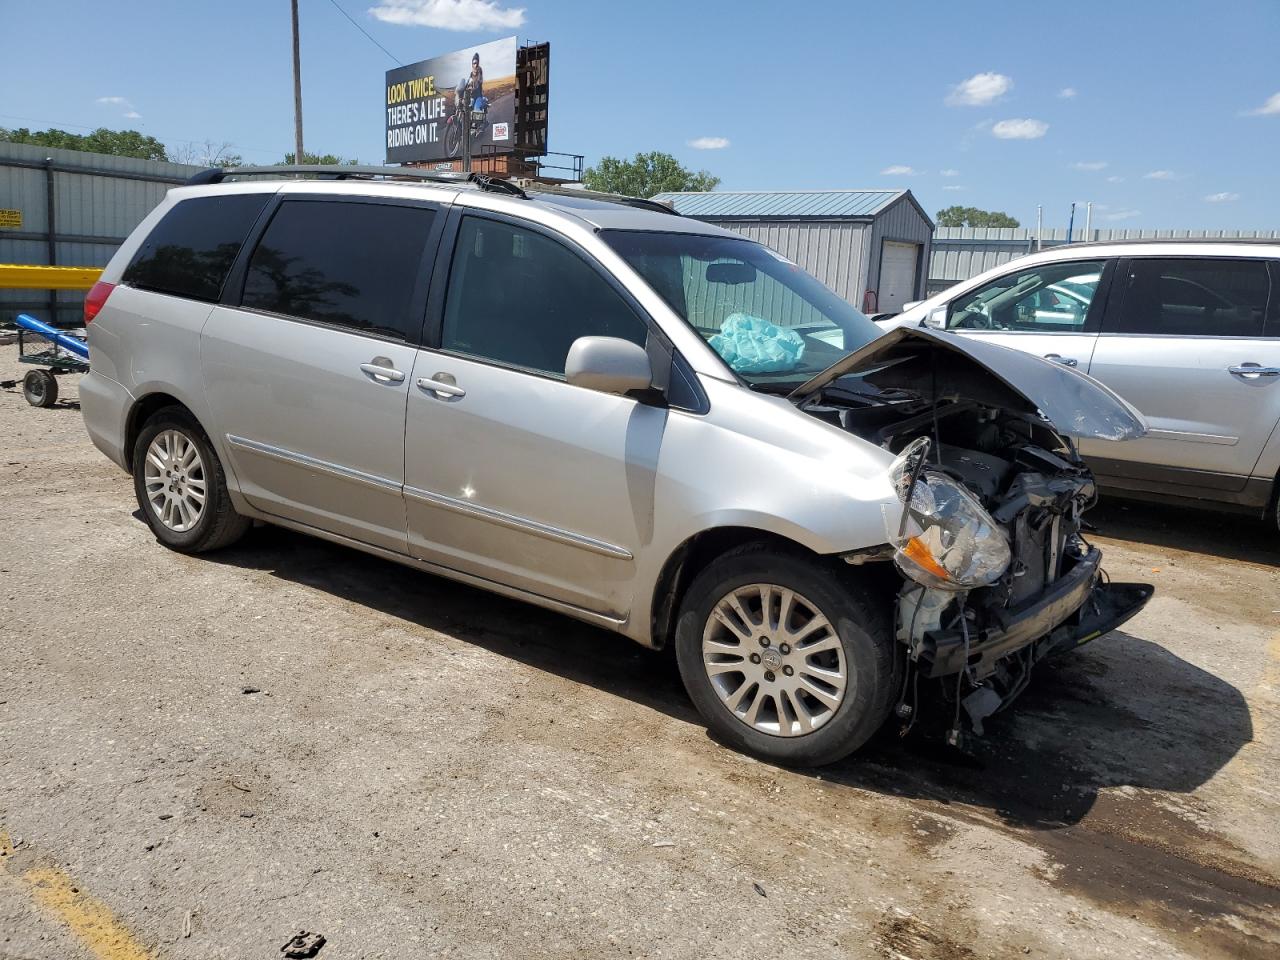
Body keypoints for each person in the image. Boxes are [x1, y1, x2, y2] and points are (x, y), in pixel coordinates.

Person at [454, 52, 485, 117]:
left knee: (476, 110)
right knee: (466, 108)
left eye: (476, 63)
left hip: (478, 96)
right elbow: (468, 81)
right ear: (472, 64)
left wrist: (474, 87)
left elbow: (479, 81)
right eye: (474, 63)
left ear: (478, 63)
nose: (475, 65)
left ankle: (479, 124)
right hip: (471, 96)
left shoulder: (479, 71)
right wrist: (461, 89)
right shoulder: (471, 73)